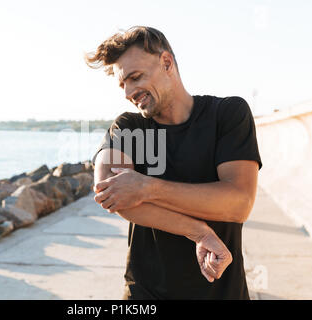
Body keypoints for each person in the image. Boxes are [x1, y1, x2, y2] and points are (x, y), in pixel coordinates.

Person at [85, 26, 262, 300]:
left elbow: (239, 203)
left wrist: (146, 188)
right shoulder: (130, 127)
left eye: (135, 77)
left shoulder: (227, 114)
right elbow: (110, 194)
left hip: (221, 291)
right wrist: (199, 232)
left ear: (166, 62)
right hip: (145, 294)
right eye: (123, 84)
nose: (129, 92)